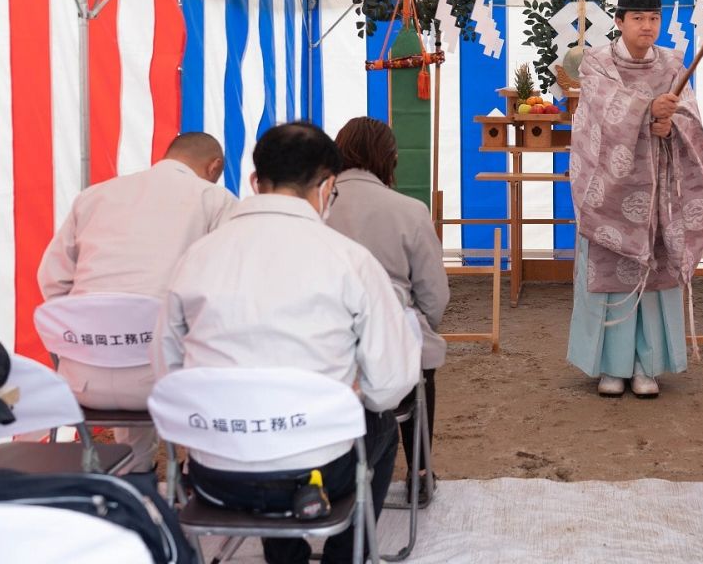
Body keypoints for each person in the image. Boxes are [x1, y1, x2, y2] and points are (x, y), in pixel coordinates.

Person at [153, 122, 421, 564]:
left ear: (257, 182)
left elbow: (166, 370)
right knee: (382, 426)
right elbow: (389, 384)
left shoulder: (198, 256)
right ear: (327, 185)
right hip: (316, 478)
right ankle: (344, 555)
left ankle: (286, 556)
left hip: (215, 475)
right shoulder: (349, 260)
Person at [38, 132, 234, 473]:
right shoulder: (214, 199)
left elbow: (52, 281)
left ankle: (134, 473)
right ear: (214, 166)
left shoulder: (94, 196)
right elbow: (228, 288)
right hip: (166, 385)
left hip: (81, 383)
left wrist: (87, 329)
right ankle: (195, 478)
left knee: (136, 329)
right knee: (189, 336)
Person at [567, 0, 703, 398]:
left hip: (658, 188)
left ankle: (647, 366)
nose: (647, 26)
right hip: (610, 190)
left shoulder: (672, 64)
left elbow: (690, 117)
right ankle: (610, 367)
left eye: (654, 18)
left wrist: (672, 126)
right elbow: (600, 109)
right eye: (638, 18)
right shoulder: (596, 63)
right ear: (619, 21)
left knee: (655, 274)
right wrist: (648, 110)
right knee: (611, 273)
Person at [326, 116, 449, 507]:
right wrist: (421, 324)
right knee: (419, 355)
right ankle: (419, 472)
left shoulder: (316, 207)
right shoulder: (409, 210)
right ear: (390, 159)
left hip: (322, 349)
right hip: (389, 353)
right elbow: (434, 296)